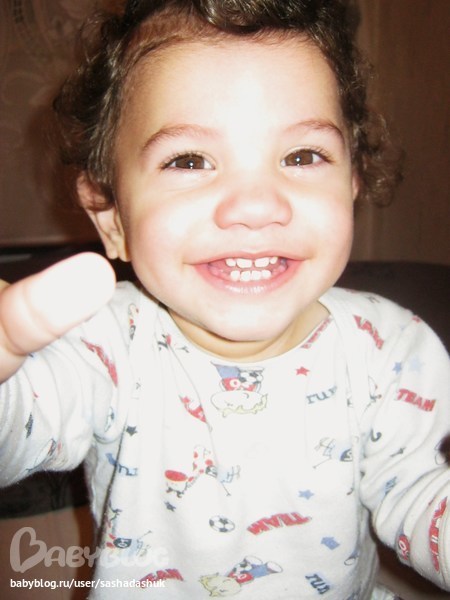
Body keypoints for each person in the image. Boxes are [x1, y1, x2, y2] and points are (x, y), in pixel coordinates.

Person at [0, 0, 448, 598]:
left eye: (302, 156)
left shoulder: (391, 348)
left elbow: (421, 491)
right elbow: (17, 432)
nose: (257, 206)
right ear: (111, 217)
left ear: (351, 185)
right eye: (189, 161)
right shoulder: (106, 345)